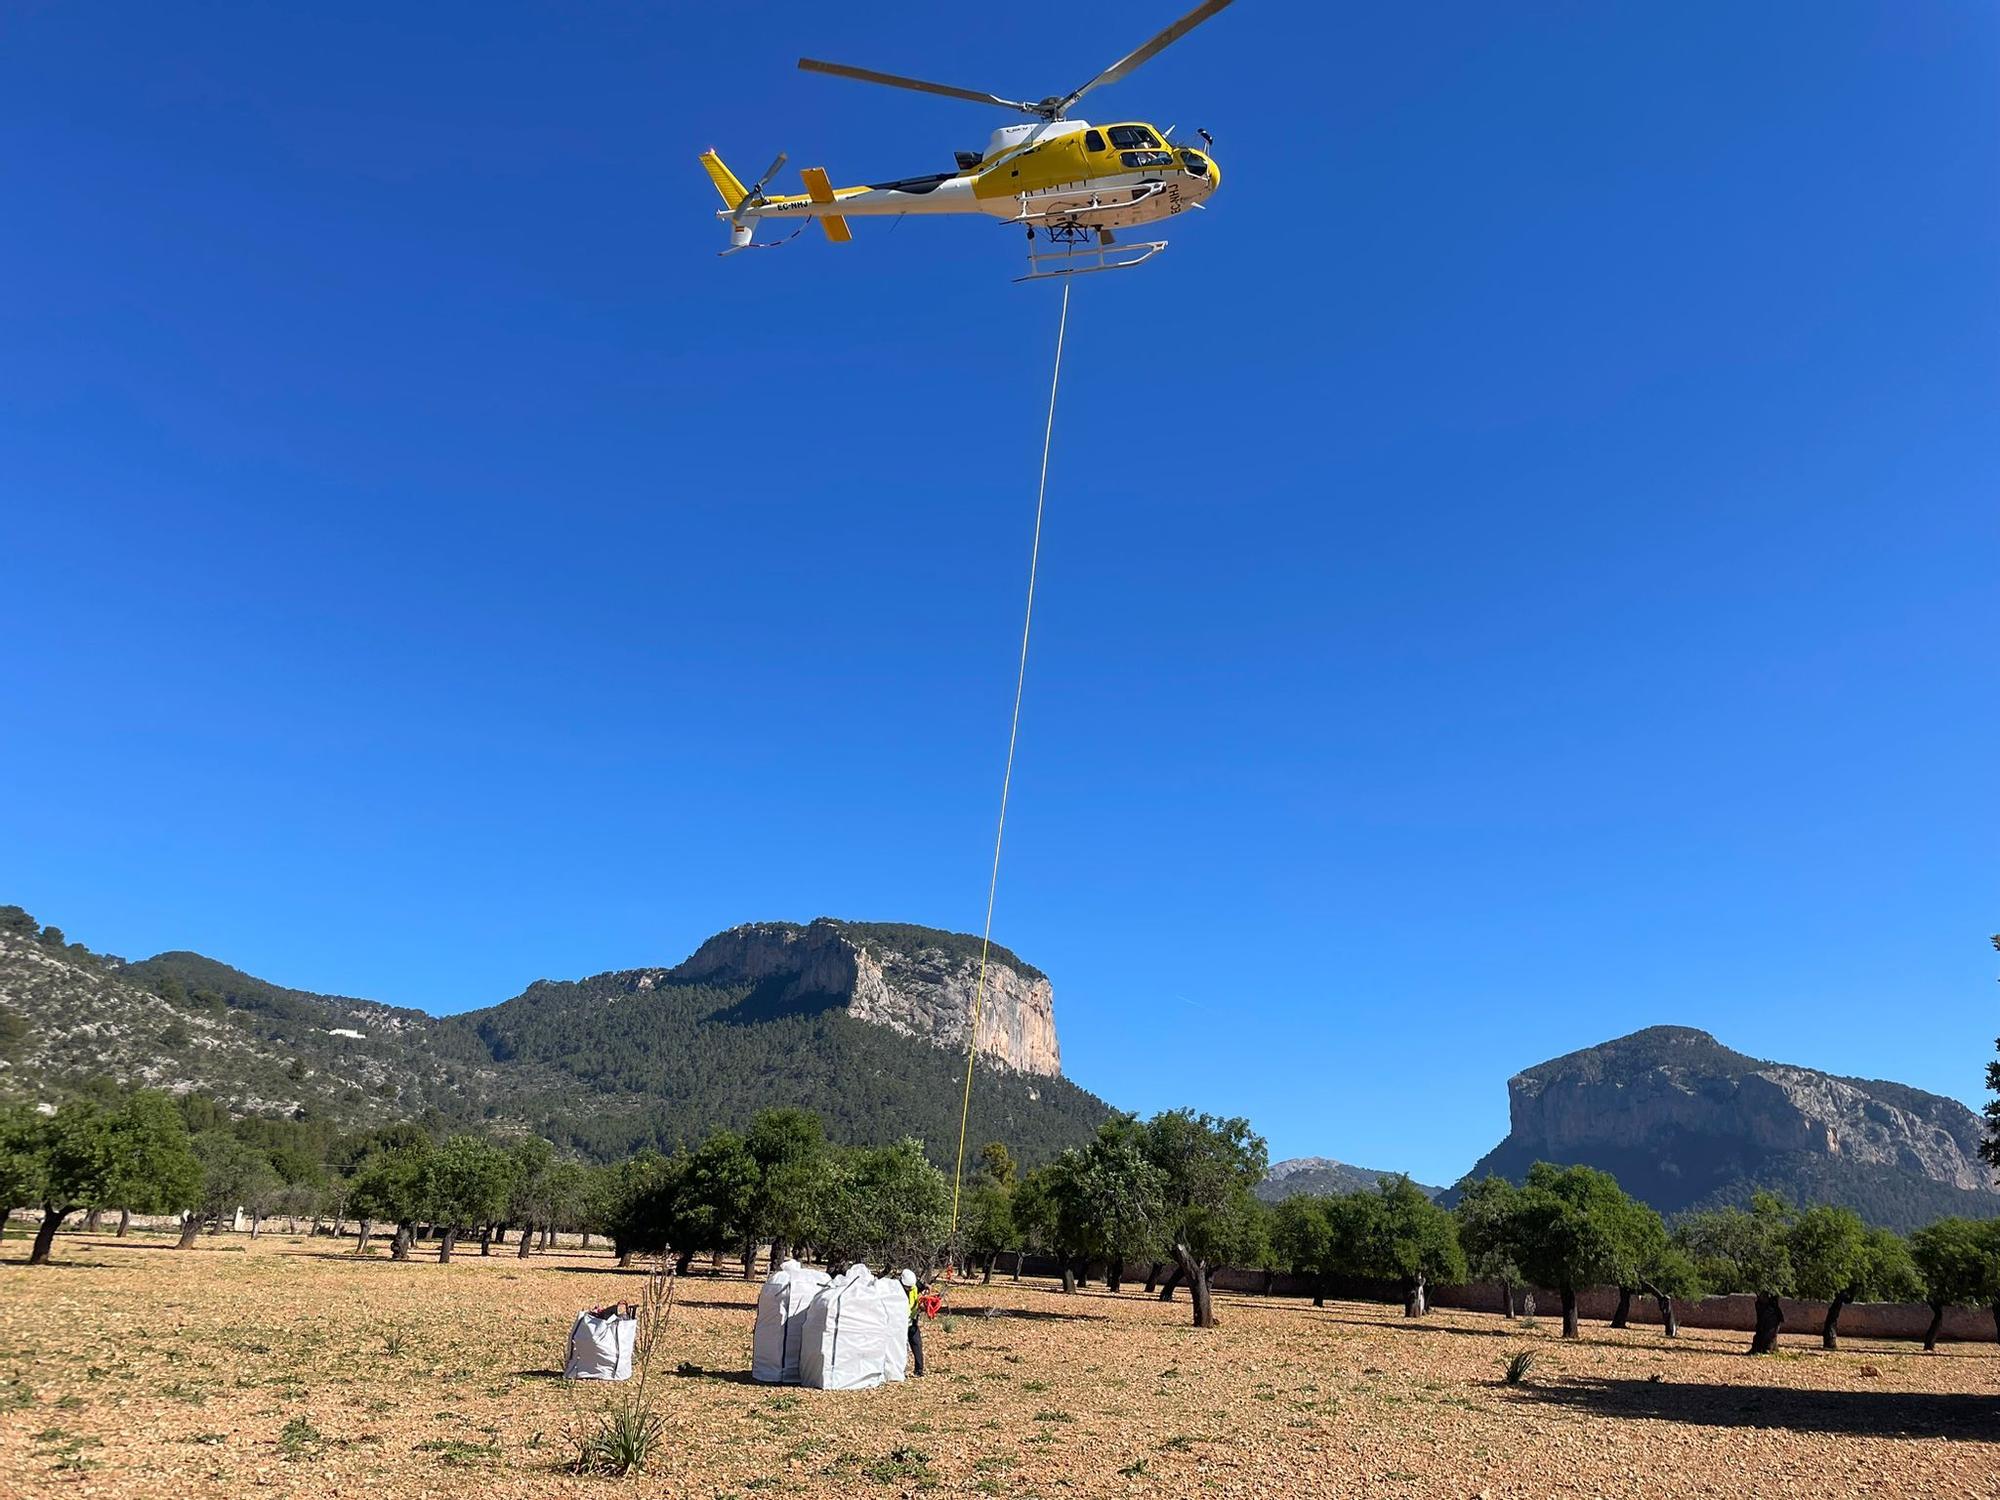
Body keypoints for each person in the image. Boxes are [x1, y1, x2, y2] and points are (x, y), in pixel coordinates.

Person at [898, 1268, 926, 1377]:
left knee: (917, 1344)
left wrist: (927, 1289)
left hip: (912, 1322)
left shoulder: (914, 1286)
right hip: (900, 1324)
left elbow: (923, 1287)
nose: (910, 1289)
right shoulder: (896, 1290)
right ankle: (900, 1370)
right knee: (901, 1348)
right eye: (907, 1287)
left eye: (911, 1287)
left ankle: (919, 1370)